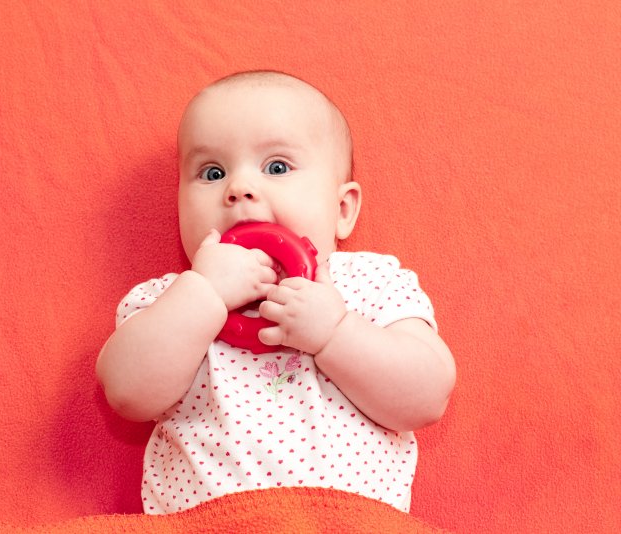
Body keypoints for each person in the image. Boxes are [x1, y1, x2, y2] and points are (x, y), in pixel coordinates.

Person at [96, 70, 456, 515]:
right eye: (211, 172)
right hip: (211, 523)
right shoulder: (166, 300)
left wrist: (336, 333)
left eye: (276, 167)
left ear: (341, 209)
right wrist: (203, 293)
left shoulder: (371, 282)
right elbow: (126, 392)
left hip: (347, 522)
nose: (239, 189)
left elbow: (428, 395)